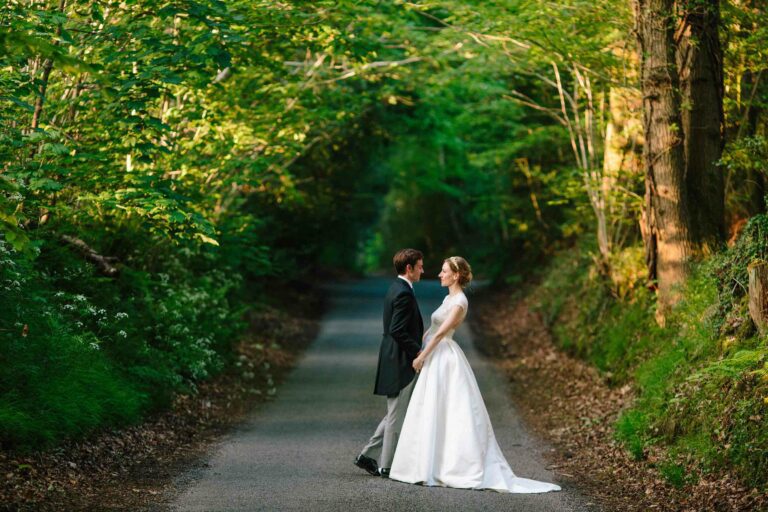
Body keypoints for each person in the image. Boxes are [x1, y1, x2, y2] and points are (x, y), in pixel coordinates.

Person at [389, 256, 561, 493]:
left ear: (456, 275)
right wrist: (418, 348)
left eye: (444, 271)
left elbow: (441, 335)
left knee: (450, 409)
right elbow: (432, 329)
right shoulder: (448, 297)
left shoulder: (459, 302)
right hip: (435, 356)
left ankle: (450, 466)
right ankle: (424, 462)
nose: (439, 274)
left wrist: (421, 356)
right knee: (429, 408)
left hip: (445, 356)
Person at [354, 248, 424, 478]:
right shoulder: (404, 293)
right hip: (400, 360)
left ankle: (366, 455)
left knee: (394, 412)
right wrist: (418, 351)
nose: (423, 270)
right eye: (420, 266)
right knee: (396, 415)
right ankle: (386, 465)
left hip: (393, 357)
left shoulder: (397, 287)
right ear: (409, 268)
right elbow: (396, 330)